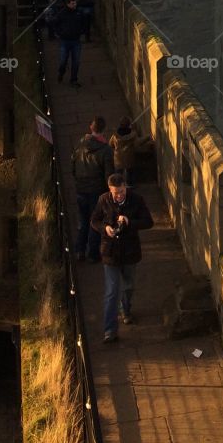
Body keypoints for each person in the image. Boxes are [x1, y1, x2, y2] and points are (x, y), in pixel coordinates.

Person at [90, 173, 153, 342]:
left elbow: (148, 222)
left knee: (128, 286)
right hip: (110, 252)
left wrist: (129, 221)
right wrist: (105, 229)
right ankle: (110, 330)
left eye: (122, 191)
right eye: (116, 192)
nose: (119, 195)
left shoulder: (136, 200)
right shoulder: (103, 200)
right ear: (110, 190)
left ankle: (126, 309)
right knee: (111, 292)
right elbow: (94, 220)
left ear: (125, 187)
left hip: (130, 251)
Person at [71, 116, 112, 263]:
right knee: (95, 221)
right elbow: (109, 174)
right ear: (103, 130)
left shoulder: (79, 145)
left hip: (81, 189)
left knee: (83, 220)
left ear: (91, 127)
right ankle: (92, 253)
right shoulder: (106, 150)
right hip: (96, 190)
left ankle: (79, 250)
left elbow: (73, 167)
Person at [52, 0, 85, 85]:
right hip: (65, 41)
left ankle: (73, 80)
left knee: (76, 61)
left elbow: (83, 23)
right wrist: (59, 33)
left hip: (76, 41)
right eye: (72, 3)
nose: (75, 5)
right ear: (68, 4)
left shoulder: (79, 12)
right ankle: (61, 73)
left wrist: (81, 31)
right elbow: (55, 23)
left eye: (75, 3)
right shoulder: (62, 13)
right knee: (63, 61)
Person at [109, 116, 139, 186]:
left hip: (118, 158)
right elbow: (137, 144)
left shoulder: (115, 135)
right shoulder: (133, 135)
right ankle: (130, 184)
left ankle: (117, 184)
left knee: (118, 172)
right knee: (130, 171)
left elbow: (110, 144)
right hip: (129, 157)